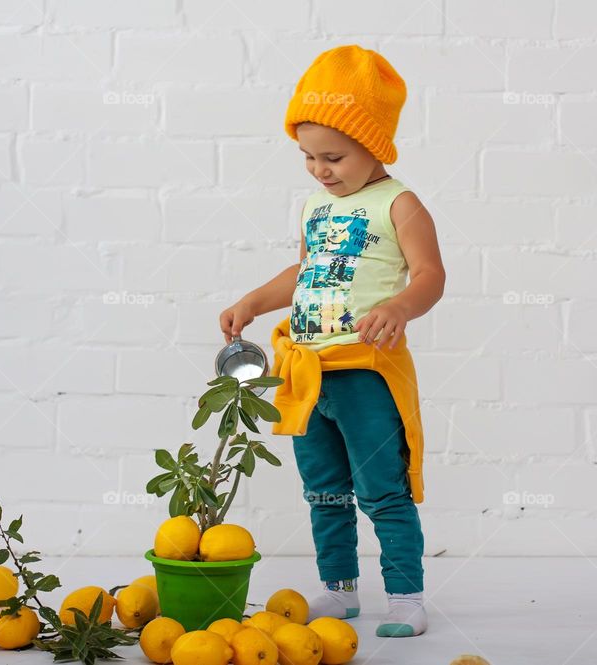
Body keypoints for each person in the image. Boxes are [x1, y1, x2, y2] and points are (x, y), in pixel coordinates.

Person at [219, 44, 445, 638]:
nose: (320, 169)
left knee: (382, 488)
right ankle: (339, 590)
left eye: (334, 157)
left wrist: (399, 305)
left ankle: (405, 598)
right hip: (306, 373)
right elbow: (303, 274)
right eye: (308, 157)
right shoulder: (317, 207)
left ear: (376, 146)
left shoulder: (399, 203)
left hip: (364, 371)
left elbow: (430, 276)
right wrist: (252, 300)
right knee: (323, 489)